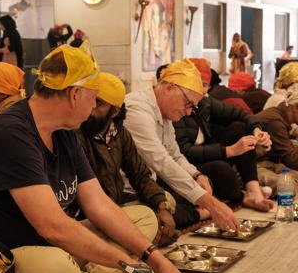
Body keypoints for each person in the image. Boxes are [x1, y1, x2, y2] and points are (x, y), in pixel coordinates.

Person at [0, 45, 188, 273]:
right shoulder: (9, 133)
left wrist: (153, 256)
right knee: (59, 272)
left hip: (48, 244)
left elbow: (98, 204)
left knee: (142, 218)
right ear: (75, 94)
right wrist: (126, 264)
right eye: (93, 98)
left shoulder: (65, 132)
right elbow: (54, 227)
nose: (92, 107)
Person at [124, 59, 239, 231]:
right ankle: (197, 214)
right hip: (129, 192)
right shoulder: (137, 110)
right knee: (161, 218)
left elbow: (175, 155)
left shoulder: (164, 112)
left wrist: (197, 175)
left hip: (152, 186)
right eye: (188, 104)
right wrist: (212, 205)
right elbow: (161, 161)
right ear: (169, 87)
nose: (188, 112)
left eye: (192, 108)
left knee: (201, 188)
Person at [78, 72, 177, 245]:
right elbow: (89, 199)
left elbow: (140, 175)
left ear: (115, 111)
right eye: (90, 101)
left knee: (164, 201)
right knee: (146, 220)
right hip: (91, 213)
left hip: (116, 205)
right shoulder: (77, 135)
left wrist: (161, 205)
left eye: (98, 103)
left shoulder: (120, 134)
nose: (90, 108)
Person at [174, 58, 273, 211]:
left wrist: (257, 129)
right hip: (187, 163)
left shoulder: (204, 101)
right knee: (222, 170)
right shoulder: (176, 106)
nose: (200, 89)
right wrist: (228, 151)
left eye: (204, 85)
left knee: (241, 129)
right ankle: (242, 196)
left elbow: (239, 114)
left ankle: (254, 190)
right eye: (196, 84)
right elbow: (182, 152)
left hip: (208, 151)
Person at [256, 90, 298, 172]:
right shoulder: (275, 122)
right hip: (249, 166)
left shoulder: (277, 113)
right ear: (295, 107)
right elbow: (290, 160)